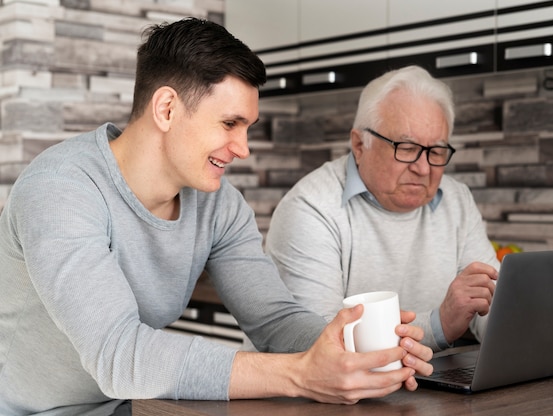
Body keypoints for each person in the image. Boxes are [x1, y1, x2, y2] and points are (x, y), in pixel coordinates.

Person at [0, 19, 434, 416]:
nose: (243, 147)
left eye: (247, 127)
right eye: (230, 123)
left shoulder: (217, 203)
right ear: (167, 109)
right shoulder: (60, 189)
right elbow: (119, 356)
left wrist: (351, 353)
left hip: (132, 409)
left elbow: (274, 319)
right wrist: (299, 373)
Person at [261, 65, 501, 354]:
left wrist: (540, 341)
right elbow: (320, 347)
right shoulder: (310, 209)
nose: (423, 168)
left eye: (436, 152)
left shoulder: (457, 200)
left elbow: (493, 305)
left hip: (423, 387)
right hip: (317, 397)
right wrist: (438, 325)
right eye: (407, 147)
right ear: (360, 144)